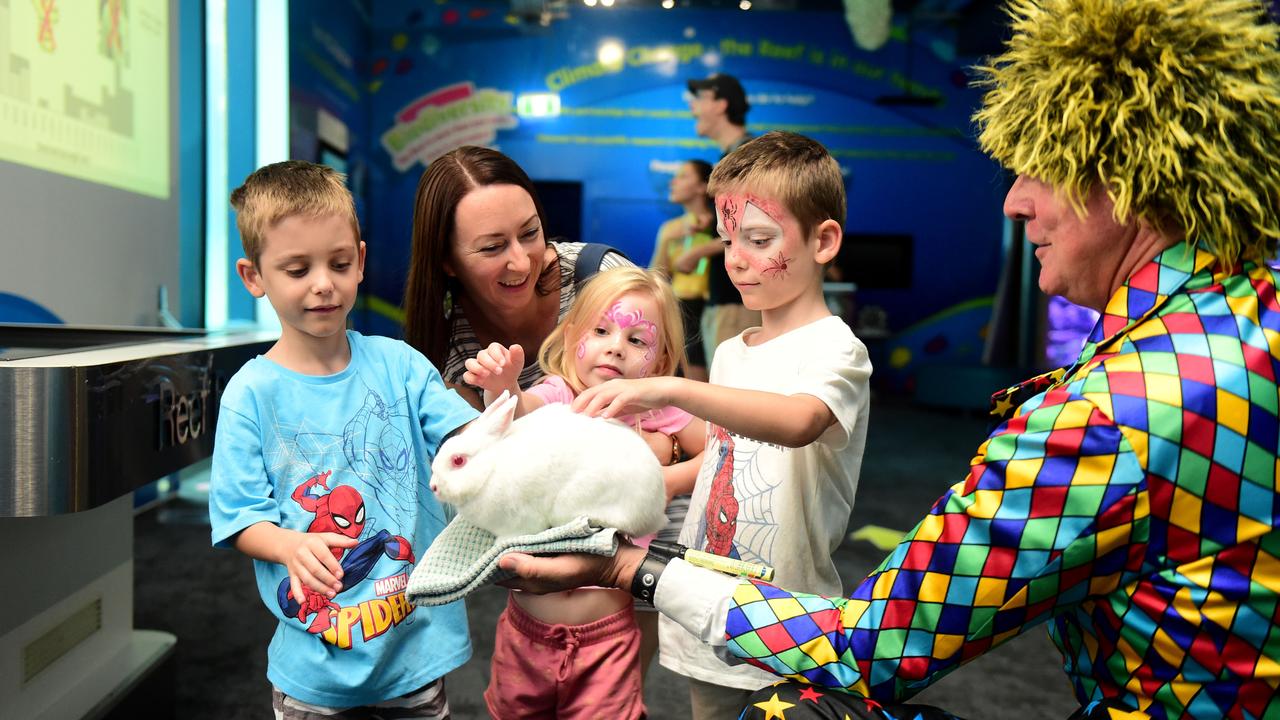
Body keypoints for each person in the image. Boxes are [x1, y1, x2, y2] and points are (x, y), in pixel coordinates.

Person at [499, 1, 1280, 718]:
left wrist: (632, 570)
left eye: (1040, 170)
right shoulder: (1259, 312)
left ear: (1132, 179)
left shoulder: (1106, 416)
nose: (1013, 201)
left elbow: (874, 646)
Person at [550, 131, 871, 719]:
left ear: (823, 240)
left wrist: (672, 388)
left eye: (759, 239)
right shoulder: (732, 350)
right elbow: (722, 462)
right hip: (710, 606)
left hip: (790, 617)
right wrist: (652, 481)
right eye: (728, 241)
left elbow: (799, 422)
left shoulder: (836, 350)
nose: (737, 258)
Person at [208, 161, 479, 718]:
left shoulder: (400, 365)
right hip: (313, 670)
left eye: (337, 262)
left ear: (360, 259)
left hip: (414, 653)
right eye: (296, 268)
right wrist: (287, 545)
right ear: (254, 276)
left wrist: (498, 399)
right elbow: (238, 516)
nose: (323, 283)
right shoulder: (250, 393)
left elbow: (468, 440)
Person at [461, 266, 707, 718]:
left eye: (637, 340)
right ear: (573, 335)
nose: (616, 345)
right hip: (526, 627)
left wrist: (668, 479)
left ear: (661, 356)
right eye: (601, 329)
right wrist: (505, 386)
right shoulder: (560, 394)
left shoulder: (657, 411)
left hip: (607, 632)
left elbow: (719, 454)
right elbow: (519, 414)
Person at [401, 145, 633, 412]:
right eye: (492, 247)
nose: (522, 263)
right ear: (447, 262)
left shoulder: (603, 279)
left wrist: (664, 443)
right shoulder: (444, 356)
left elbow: (678, 413)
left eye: (530, 233)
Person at [683, 72, 762, 366]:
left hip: (737, 301)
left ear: (720, 105)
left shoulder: (747, 155)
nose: (692, 107)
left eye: (700, 99)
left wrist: (697, 252)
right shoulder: (732, 155)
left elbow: (753, 229)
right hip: (726, 297)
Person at [652, 159, 716, 382]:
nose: (673, 182)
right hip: (681, 308)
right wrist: (668, 240)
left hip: (714, 308)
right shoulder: (670, 228)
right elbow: (656, 276)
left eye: (683, 176)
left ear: (702, 186)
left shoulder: (719, 226)